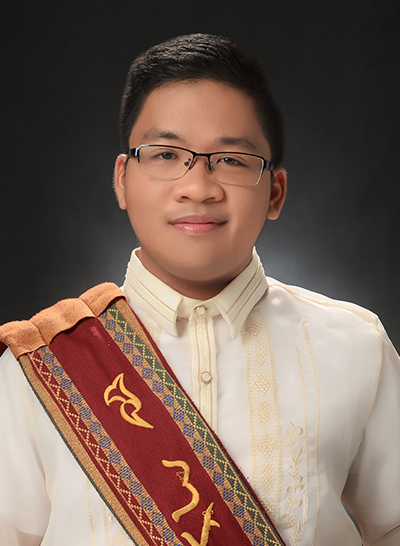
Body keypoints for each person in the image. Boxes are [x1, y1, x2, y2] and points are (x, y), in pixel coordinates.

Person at [0, 33, 399, 546]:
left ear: (275, 192)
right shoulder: (38, 366)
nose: (198, 187)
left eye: (231, 160)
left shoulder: (356, 345)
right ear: (122, 180)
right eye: (166, 154)